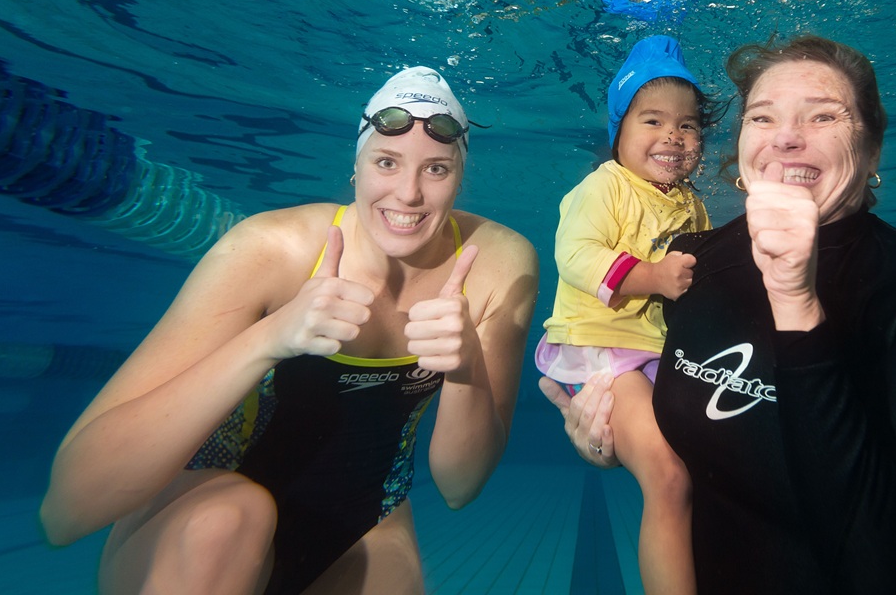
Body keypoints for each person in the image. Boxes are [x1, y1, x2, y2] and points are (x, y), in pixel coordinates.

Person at [543, 34, 896, 594]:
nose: (788, 139)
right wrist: (611, 441)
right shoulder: (697, 258)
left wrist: (797, 303)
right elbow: (696, 445)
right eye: (762, 117)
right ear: (742, 148)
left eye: (823, 116)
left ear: (872, 150)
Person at [40, 66, 539, 595]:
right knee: (230, 522)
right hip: (196, 517)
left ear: (460, 178)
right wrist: (270, 338)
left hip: (363, 525)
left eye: (436, 169)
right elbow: (65, 512)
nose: (409, 193)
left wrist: (465, 373)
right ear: (357, 167)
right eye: (387, 162)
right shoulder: (271, 250)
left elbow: (460, 487)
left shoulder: (498, 266)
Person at [537, 35, 714, 594]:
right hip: (598, 346)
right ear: (619, 133)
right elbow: (576, 254)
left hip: (651, 351)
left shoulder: (691, 202)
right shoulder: (605, 186)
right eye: (653, 120)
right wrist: (654, 277)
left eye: (687, 125)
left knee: (711, 463)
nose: (673, 136)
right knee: (667, 477)